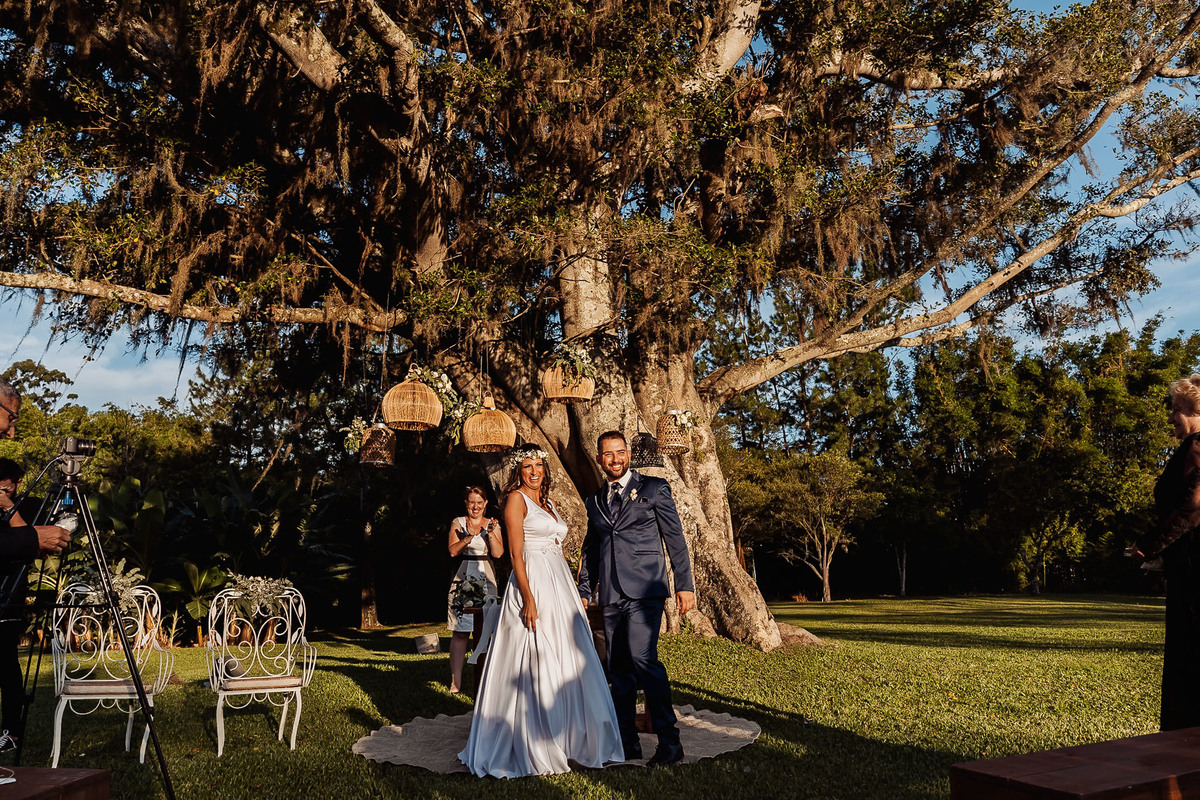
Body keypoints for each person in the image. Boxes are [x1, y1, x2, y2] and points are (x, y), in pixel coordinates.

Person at [459, 444, 623, 777]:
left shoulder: (549, 503)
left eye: (538, 465)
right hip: (532, 580)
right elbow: (515, 554)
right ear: (518, 471)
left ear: (545, 469)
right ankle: (533, 737)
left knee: (569, 655)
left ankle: (572, 737)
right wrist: (529, 598)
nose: (534, 471)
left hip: (558, 582)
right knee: (536, 654)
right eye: (527, 466)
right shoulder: (516, 500)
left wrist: (573, 591)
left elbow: (556, 548)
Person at [578, 430, 695, 767]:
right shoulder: (595, 501)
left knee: (643, 659)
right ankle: (627, 742)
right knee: (618, 669)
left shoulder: (654, 488)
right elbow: (592, 548)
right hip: (611, 593)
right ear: (599, 459)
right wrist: (585, 590)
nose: (614, 459)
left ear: (628, 454)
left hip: (646, 590)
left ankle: (670, 742)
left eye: (619, 452)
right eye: (607, 454)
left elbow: (675, 538)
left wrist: (685, 584)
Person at [0, 378, 70, 754]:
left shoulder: (23, 503)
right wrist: (31, 539)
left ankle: (10, 730)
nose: (11, 431)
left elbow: (57, 526)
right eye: (10, 418)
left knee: (7, 666)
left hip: (9, 600)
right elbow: (27, 540)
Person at [1127, 375, 1200, 730]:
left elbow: (1192, 506)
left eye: (1177, 409)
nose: (1171, 417)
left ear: (1196, 412)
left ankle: (1184, 742)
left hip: (1193, 569)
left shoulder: (1198, 446)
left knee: (1190, 657)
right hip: (1185, 564)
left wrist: (1149, 545)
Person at [446, 485, 503, 694]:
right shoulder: (458, 522)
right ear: (466, 503)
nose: (476, 507)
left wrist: (491, 534)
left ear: (485, 503)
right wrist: (468, 538)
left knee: (487, 630)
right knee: (461, 632)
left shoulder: (493, 524)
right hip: (464, 575)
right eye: (472, 502)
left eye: (479, 503)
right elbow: (453, 551)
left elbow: (498, 553)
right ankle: (456, 682)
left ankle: (489, 680)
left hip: (486, 575)